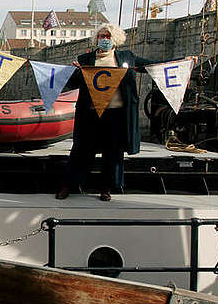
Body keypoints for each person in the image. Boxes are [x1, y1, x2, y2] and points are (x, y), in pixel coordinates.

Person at [56, 23, 192, 201]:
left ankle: (106, 188)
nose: (104, 39)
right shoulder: (85, 59)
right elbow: (73, 84)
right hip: (90, 113)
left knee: (112, 152)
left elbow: (154, 67)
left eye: (108, 36)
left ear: (115, 39)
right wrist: (76, 72)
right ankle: (69, 185)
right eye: (101, 36)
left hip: (116, 114)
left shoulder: (127, 57)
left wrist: (183, 61)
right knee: (81, 150)